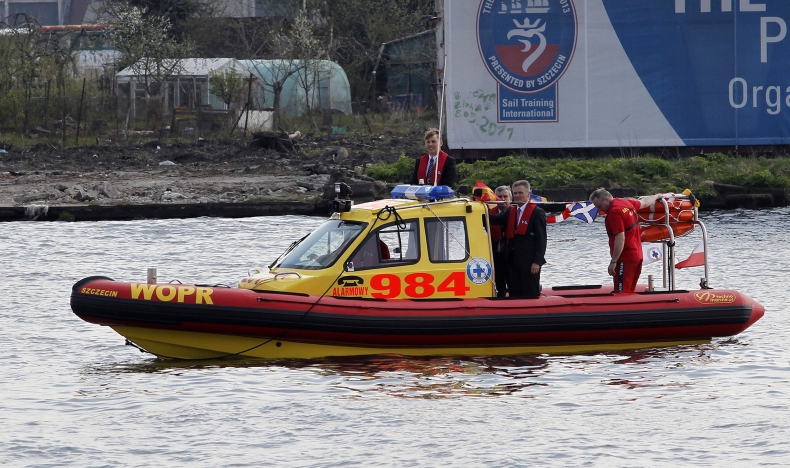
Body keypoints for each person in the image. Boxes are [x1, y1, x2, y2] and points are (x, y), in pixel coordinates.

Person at [589, 188, 663, 293]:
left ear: (606, 199)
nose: (601, 210)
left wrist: (613, 261)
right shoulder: (626, 203)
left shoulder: (614, 212)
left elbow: (620, 237)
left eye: (600, 206)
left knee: (621, 292)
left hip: (625, 258)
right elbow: (644, 202)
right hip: (637, 256)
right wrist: (657, 196)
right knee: (629, 291)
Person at [490, 180, 547, 298]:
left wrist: (537, 261)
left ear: (528, 194)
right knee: (514, 293)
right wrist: (479, 206)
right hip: (513, 261)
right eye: (515, 193)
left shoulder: (537, 212)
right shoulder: (511, 211)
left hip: (529, 262)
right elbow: (494, 219)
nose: (517, 196)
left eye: (520, 193)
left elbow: (541, 239)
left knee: (530, 292)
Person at [490, 185, 512, 297]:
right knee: (499, 284)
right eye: (499, 197)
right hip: (496, 254)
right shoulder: (488, 213)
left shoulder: (516, 212)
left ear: (510, 198)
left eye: (505, 196)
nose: (503, 199)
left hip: (513, 255)